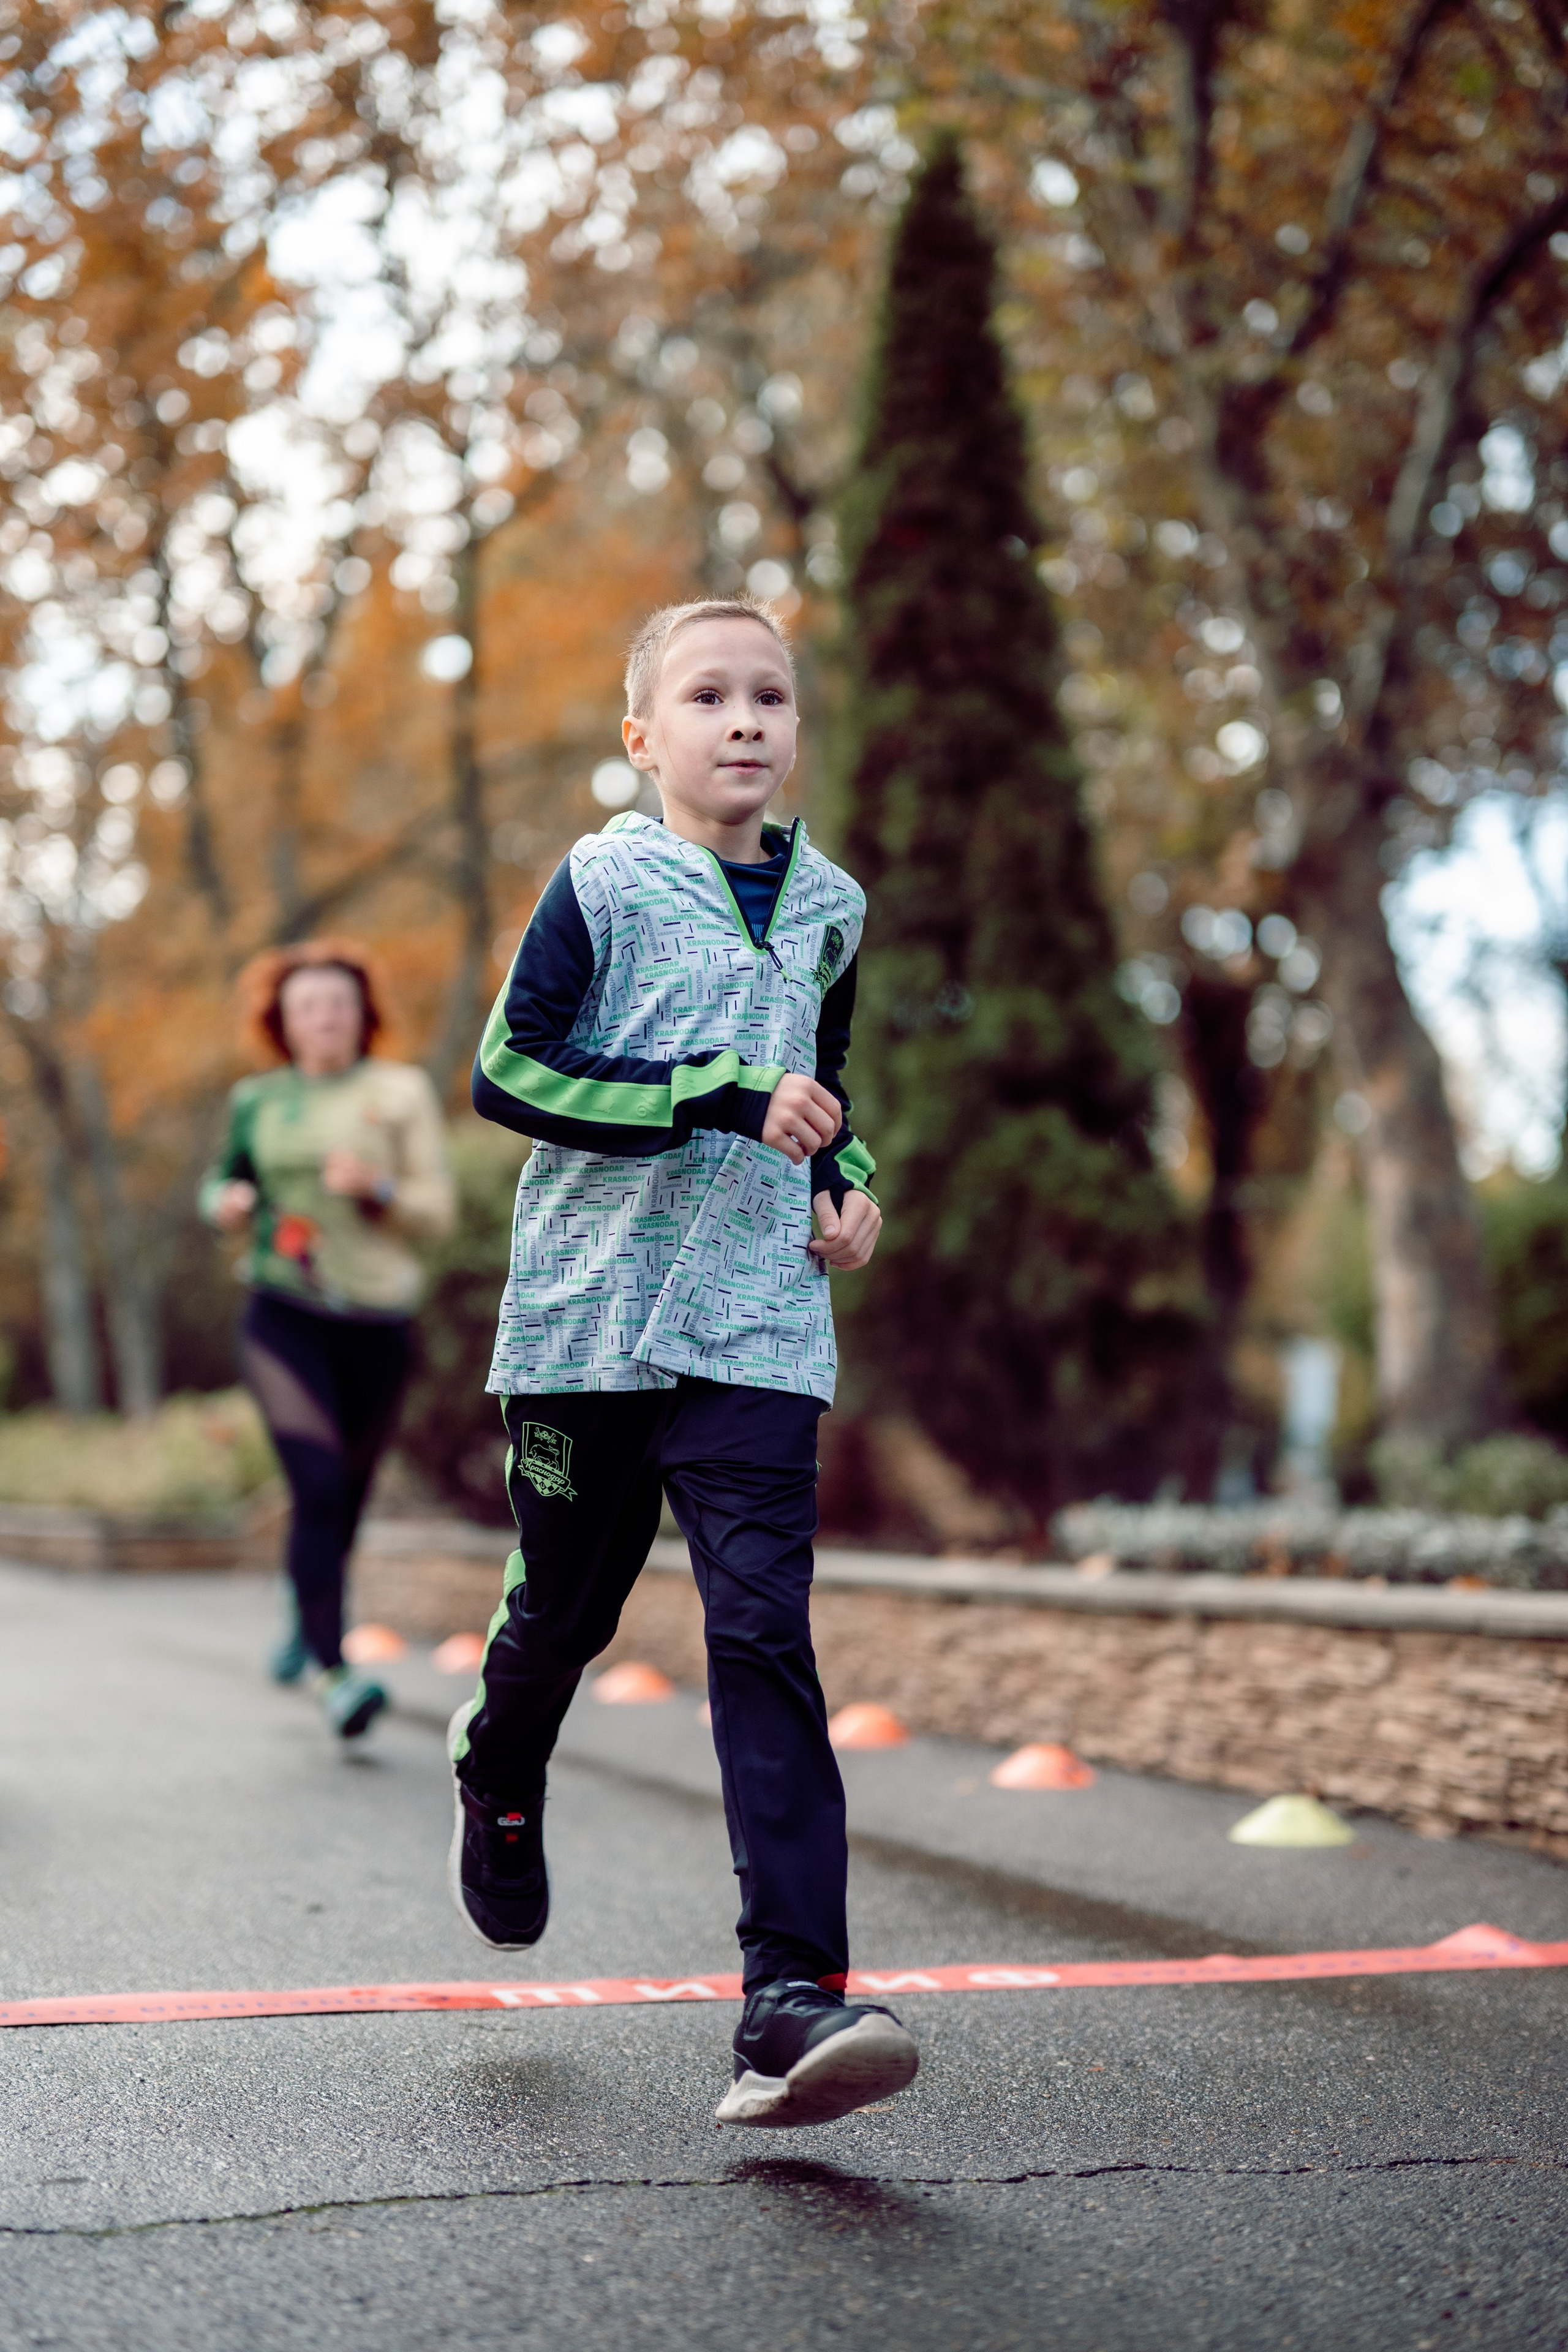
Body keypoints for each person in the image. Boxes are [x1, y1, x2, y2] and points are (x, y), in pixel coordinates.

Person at [448, 595, 920, 2130]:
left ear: (793, 731)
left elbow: (826, 1088)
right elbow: (509, 1072)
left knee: (765, 1639)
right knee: (561, 1618)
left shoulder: (831, 908)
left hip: (755, 1331)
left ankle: (786, 2003)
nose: (743, 722)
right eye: (707, 697)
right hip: (585, 1327)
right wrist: (717, 1090)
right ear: (642, 736)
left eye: (769, 698)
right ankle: (498, 1765)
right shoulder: (602, 882)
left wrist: (851, 1193)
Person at [201, 941, 456, 1740]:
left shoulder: (400, 1091)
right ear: (282, 1020)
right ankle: (333, 1671)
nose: (325, 1019)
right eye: (307, 1006)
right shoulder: (258, 1100)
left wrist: (376, 1188)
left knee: (342, 1500)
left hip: (378, 1318)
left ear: (362, 1013)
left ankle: (301, 1604)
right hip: (283, 1309)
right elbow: (219, 1181)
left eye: (339, 1004)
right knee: (313, 1483)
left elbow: (438, 1213)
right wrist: (230, 1203)